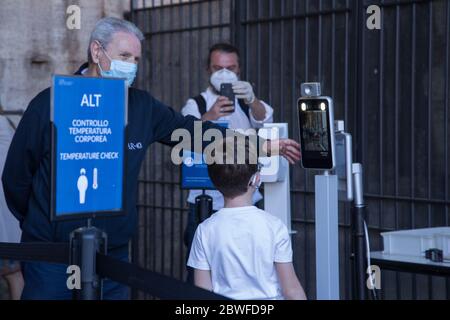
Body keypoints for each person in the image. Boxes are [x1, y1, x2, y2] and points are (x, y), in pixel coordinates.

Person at [1, 17, 301, 300]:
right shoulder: (50, 103)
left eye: (135, 59)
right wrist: (41, 224)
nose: (131, 66)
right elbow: (16, 177)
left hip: (112, 255)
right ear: (97, 51)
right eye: (124, 56)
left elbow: (195, 132)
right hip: (52, 256)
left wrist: (260, 146)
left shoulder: (141, 106)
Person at [181, 43, 274, 282]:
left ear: (239, 69)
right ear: (207, 69)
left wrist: (252, 100)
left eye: (230, 67)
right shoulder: (197, 104)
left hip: (246, 200)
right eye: (217, 68)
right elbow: (182, 138)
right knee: (201, 273)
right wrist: (210, 117)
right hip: (204, 202)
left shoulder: (246, 101)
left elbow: (265, 120)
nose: (224, 73)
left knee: (249, 271)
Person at [187, 137, 306, 300]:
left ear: (214, 183)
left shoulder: (204, 230)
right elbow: (292, 291)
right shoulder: (274, 226)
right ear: (256, 179)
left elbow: (202, 292)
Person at [0, 106, 24, 300]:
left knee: (14, 274)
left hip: (4, 218)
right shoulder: (7, 124)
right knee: (14, 275)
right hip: (8, 216)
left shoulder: (3, 125)